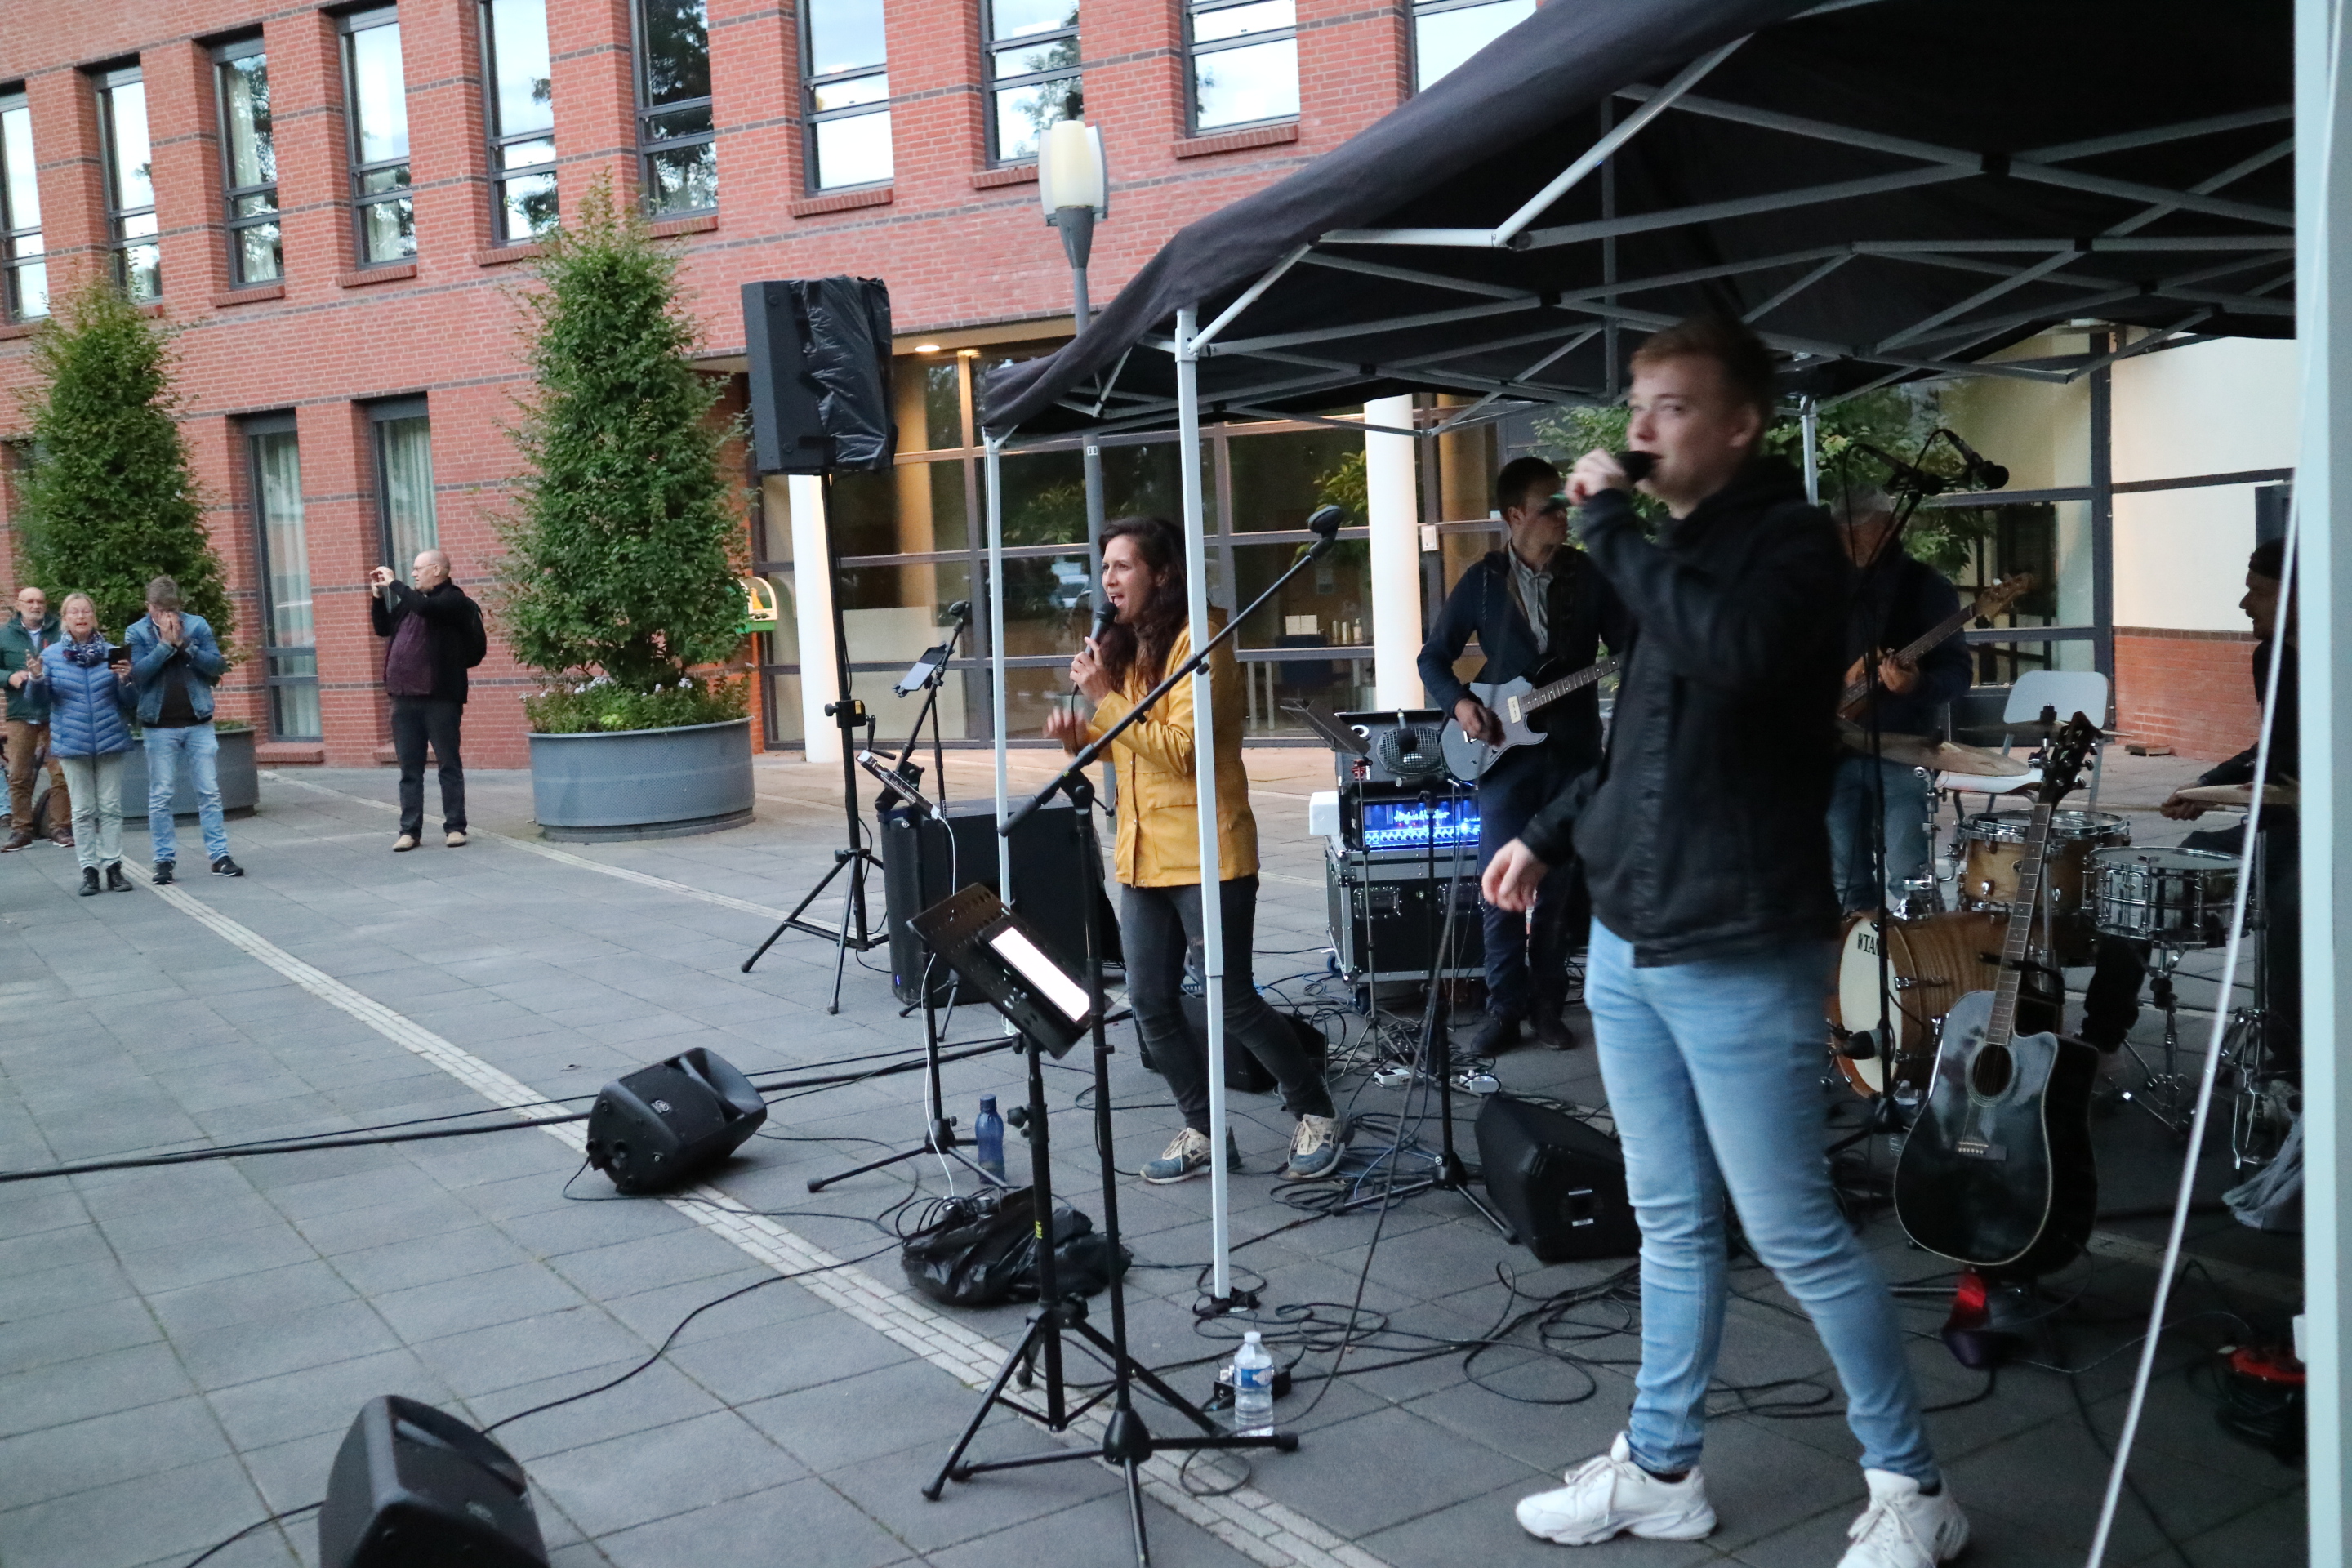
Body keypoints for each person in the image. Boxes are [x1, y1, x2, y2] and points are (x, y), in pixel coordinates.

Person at [1486, 315, 1967, 1568]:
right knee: (1670, 1220)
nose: (1643, 426)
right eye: (1637, 403)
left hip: (1739, 942)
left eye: (1675, 405)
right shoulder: (1677, 554)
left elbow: (1735, 657)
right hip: (1633, 940)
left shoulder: (1788, 549)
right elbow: (1642, 747)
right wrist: (1546, 833)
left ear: (1743, 426)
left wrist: (1611, 530)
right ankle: (1660, 1470)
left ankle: (1914, 1489)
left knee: (1796, 1229)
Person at [1045, 515, 1349, 1183]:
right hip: (1143, 852)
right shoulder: (1127, 645)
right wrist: (1082, 737)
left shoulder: (1202, 639)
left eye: (1123, 566)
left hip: (1207, 848)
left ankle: (1317, 1112)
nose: (1109, 580)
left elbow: (1183, 752)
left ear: (1160, 574)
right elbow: (1131, 747)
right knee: (1150, 1002)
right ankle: (1204, 1129)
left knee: (1232, 998)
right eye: (1104, 568)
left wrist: (1105, 700)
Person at [1419, 456, 1632, 1053]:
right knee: (1501, 884)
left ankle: (1548, 1007)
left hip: (1573, 753)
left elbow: (1633, 651)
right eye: (1550, 506)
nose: (1563, 515)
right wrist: (1461, 704)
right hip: (1502, 754)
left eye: (1564, 504)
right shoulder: (1483, 581)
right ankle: (1504, 1008)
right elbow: (1432, 658)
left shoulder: (1589, 576)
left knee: (1559, 887)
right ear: (1515, 515)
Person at [2081, 538, 2298, 1063]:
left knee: (2293, 910)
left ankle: (2292, 1062)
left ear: (2295, 597)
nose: (2244, 604)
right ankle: (2097, 1040)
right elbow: (2274, 748)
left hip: (2321, 837)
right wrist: (2207, 784)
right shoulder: (2271, 656)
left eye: (2258, 592)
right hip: (2273, 827)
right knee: (2144, 888)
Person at [1825, 484, 1970, 912]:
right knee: (1845, 881)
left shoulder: (1926, 587)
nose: (1848, 540)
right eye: (1841, 531)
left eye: (1858, 530)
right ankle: (1857, 953)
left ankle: (1917, 953)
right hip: (1833, 749)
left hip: (1904, 749)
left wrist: (1916, 686)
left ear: (1889, 527)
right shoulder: (1824, 585)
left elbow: (1958, 675)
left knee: (1909, 877)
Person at [127, 576, 241, 882]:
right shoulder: (137, 632)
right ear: (149, 607)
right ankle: (163, 860)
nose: (167, 616)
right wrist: (165, 646)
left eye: (172, 609)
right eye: (160, 610)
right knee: (161, 795)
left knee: (209, 791)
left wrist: (184, 645)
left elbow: (217, 666)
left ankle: (219, 856)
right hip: (158, 725)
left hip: (198, 721)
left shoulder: (197, 625)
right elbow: (138, 675)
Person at [370, 549, 480, 852]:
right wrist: (378, 597)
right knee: (409, 769)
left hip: (440, 697)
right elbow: (383, 628)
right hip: (404, 697)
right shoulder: (411, 602)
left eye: (418, 569)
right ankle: (409, 831)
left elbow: (427, 609)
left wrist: (395, 585)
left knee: (448, 764)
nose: (414, 574)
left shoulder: (452, 600)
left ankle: (455, 827)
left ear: (437, 570)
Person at [32, 592, 138, 896]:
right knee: (81, 810)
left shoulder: (113, 653)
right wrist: (37, 680)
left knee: (111, 807)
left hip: (110, 738)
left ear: (94, 617)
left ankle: (114, 867)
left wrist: (127, 680)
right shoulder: (51, 656)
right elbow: (40, 703)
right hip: (72, 741)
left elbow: (130, 701)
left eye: (86, 611)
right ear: (64, 619)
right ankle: (89, 870)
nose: (80, 617)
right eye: (74, 612)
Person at [1, 584, 71, 850]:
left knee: (61, 773)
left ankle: (60, 827)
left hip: (56, 711)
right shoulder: (5, 635)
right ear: (19, 605)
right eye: (29, 601)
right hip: (21, 711)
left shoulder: (60, 631)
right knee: (18, 774)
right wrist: (9, 676)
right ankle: (21, 830)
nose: (35, 606)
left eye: (40, 601)